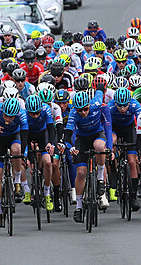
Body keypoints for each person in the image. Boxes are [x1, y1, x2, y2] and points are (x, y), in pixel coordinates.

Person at [61, 85, 113, 223]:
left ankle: (101, 179)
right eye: (80, 110)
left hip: (97, 134)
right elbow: (68, 135)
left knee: (99, 146)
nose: (83, 113)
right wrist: (70, 148)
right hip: (82, 139)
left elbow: (108, 126)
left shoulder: (96, 104)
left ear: (89, 105)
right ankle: (78, 207)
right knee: (81, 173)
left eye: (85, 109)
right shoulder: (73, 113)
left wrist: (110, 148)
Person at [0, 98, 28, 228]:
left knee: (17, 150)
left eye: (11, 117)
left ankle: (17, 181)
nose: (7, 119)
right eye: (5, 116)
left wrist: (23, 155)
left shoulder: (22, 114)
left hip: (14, 136)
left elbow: (25, 135)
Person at [108, 88, 141, 211]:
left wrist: (140, 146)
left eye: (125, 106)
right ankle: (113, 171)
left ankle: (133, 196)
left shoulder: (135, 104)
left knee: (132, 161)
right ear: (115, 102)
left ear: (130, 102)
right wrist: (110, 147)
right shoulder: (110, 107)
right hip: (114, 128)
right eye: (120, 106)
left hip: (129, 129)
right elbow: (106, 127)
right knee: (111, 141)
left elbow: (140, 124)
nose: (122, 109)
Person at [25, 95, 57, 210]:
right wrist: (25, 156)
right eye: (32, 114)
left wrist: (50, 143)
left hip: (43, 134)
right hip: (28, 134)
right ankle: (27, 189)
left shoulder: (45, 109)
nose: (35, 116)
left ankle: (47, 192)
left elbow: (51, 129)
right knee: (23, 161)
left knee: (48, 163)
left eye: (37, 113)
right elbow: (23, 138)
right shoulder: (23, 113)